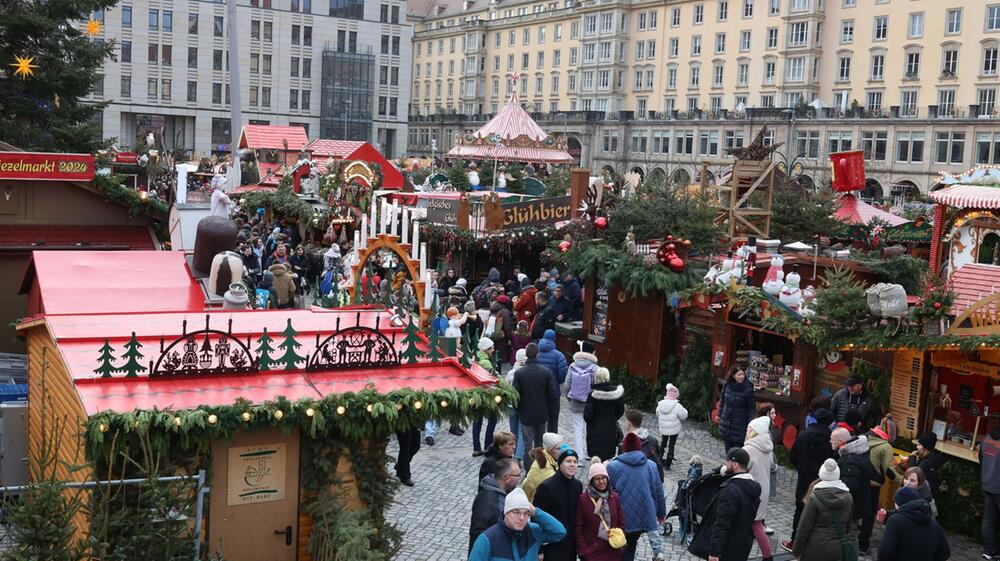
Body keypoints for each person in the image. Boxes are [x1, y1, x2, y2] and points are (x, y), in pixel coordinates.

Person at [688, 448, 761, 561]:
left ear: (735, 465)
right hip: (741, 546)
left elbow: (722, 522)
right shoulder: (752, 487)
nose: (725, 465)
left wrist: (714, 552)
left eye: (727, 462)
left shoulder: (731, 491)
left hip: (727, 549)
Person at [782, 407, 837, 552]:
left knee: (800, 511)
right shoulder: (831, 439)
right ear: (830, 423)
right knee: (819, 513)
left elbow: (793, 456)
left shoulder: (803, 436)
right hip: (822, 481)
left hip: (804, 480)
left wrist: (802, 467)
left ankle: (795, 541)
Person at [606, 433, 666, 561]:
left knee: (619, 549)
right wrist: (661, 513)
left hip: (621, 517)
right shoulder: (651, 465)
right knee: (631, 546)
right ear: (639, 447)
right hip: (643, 515)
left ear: (624, 447)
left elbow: (606, 493)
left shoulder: (613, 466)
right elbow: (659, 491)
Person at [468, 487, 567, 561]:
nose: (522, 518)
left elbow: (559, 532)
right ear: (506, 512)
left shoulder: (533, 531)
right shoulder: (487, 539)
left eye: (526, 513)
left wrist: (536, 512)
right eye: (516, 512)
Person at [791, 459, 856, 561]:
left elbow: (804, 526)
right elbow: (851, 526)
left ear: (821, 474)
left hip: (814, 548)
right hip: (838, 549)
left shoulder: (814, 497)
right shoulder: (848, 497)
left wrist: (796, 550)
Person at [533, 448, 583, 561]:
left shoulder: (578, 486)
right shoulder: (546, 487)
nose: (572, 465)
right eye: (568, 461)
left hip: (571, 544)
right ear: (560, 464)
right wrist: (539, 549)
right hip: (553, 544)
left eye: (575, 462)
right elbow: (536, 518)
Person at [513, 343, 558, 466]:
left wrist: (519, 409)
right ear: (538, 354)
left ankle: (528, 472)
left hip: (526, 414)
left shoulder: (520, 373)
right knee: (539, 444)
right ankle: (539, 469)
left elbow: (515, 395)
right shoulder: (546, 372)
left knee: (528, 444)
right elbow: (552, 396)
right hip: (541, 414)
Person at [876, 486, 950, 561]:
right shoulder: (933, 523)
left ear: (898, 503)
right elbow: (944, 552)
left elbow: (885, 552)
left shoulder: (895, 521)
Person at [575, 457, 626, 561]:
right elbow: (578, 526)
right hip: (592, 553)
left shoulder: (614, 497)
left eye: (603, 478)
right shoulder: (584, 499)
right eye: (597, 479)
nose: (601, 482)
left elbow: (621, 522)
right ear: (591, 481)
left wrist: (620, 542)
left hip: (612, 551)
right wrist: (584, 550)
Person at [859, 425, 898, 555]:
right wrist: (904, 479)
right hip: (873, 484)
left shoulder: (863, 439)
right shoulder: (885, 446)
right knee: (869, 516)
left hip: (857, 481)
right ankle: (862, 546)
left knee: (854, 509)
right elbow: (889, 470)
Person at [469, 458, 522, 552]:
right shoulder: (491, 503)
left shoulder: (496, 493)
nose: (519, 478)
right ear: (507, 478)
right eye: (518, 475)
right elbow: (479, 535)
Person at [744, 416, 775, 561]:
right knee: (757, 524)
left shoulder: (749, 449)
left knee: (751, 525)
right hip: (763, 490)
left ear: (755, 431)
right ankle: (767, 556)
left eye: (750, 428)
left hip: (750, 492)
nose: (747, 430)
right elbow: (773, 466)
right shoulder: (767, 448)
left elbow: (739, 468)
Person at [831, 428, 872, 532]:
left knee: (847, 534)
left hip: (850, 507)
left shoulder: (850, 460)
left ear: (840, 442)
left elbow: (849, 486)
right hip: (856, 505)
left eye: (832, 439)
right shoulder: (857, 452)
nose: (830, 441)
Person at [584, 367, 625, 462]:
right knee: (608, 459)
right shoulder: (617, 394)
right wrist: (612, 419)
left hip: (594, 432)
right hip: (610, 430)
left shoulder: (593, 395)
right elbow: (620, 411)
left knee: (595, 460)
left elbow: (587, 416)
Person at [567, 341, 599, 458]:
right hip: (590, 403)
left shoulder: (572, 366)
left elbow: (567, 384)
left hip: (575, 401)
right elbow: (597, 386)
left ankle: (579, 456)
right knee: (589, 428)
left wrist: (570, 398)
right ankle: (588, 453)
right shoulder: (595, 368)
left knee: (577, 428)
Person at [537, 330, 569, 431]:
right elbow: (563, 373)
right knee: (553, 418)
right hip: (553, 391)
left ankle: (539, 440)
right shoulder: (558, 355)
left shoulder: (536, 352)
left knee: (539, 418)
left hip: (537, 390)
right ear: (554, 339)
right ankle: (552, 441)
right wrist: (556, 381)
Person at [473, 337, 499, 457]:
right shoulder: (486, 363)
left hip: (476, 395)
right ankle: (488, 446)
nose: (493, 350)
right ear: (486, 349)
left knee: (477, 421)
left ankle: (476, 448)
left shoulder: (475, 357)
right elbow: (494, 378)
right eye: (492, 348)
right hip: (487, 395)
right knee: (492, 419)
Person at [719, 365, 755, 451]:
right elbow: (723, 400)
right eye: (739, 374)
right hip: (727, 421)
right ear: (733, 375)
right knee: (728, 450)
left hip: (740, 423)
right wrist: (720, 414)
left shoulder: (748, 388)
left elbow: (751, 408)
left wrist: (750, 424)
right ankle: (728, 464)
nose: (741, 376)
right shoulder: (727, 384)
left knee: (737, 452)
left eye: (743, 374)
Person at [655, 383, 688, 470]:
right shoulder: (677, 406)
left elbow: (658, 413)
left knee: (663, 443)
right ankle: (668, 463)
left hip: (664, 428)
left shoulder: (660, 404)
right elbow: (683, 416)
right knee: (671, 445)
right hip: (674, 429)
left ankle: (659, 458)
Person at [523, 433, 564, 501]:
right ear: (550, 449)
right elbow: (527, 485)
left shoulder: (550, 459)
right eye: (557, 449)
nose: (560, 452)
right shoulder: (543, 466)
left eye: (561, 448)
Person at [981, 426, 1000, 561]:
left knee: (988, 518)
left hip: (987, 483)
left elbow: (981, 458)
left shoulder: (986, 439)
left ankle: (989, 551)